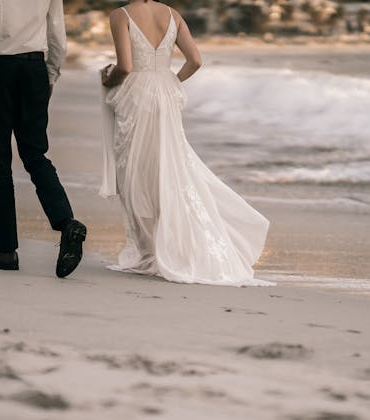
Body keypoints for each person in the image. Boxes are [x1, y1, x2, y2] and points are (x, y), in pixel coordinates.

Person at [100, 0, 272, 286]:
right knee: (169, 165)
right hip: (166, 93)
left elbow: (126, 66)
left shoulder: (121, 15)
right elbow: (196, 60)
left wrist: (108, 79)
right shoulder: (173, 15)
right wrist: (172, 81)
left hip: (136, 94)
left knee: (135, 171)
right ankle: (169, 247)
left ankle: (149, 252)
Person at [0, 0, 86, 278]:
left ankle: (6, 251)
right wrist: (51, 75)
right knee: (35, 154)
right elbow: (57, 32)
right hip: (34, 69)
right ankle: (66, 223)